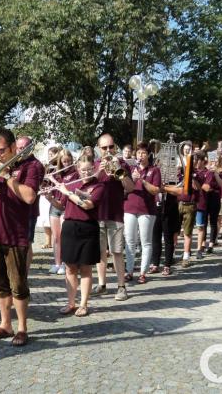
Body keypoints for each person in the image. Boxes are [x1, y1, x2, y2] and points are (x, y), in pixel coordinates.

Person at [0, 129, 40, 346]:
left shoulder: (31, 166)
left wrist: (7, 178)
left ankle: (22, 328)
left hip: (15, 234)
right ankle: (5, 325)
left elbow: (29, 197)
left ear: (13, 147)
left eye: (1, 150)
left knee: (18, 285)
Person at [55, 155, 104, 317]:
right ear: (77, 169)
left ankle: (83, 304)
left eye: (89, 169)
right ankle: (71, 303)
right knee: (70, 268)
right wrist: (50, 197)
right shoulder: (72, 183)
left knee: (85, 268)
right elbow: (60, 205)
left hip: (88, 228)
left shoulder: (98, 186)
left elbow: (87, 205)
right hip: (70, 227)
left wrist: (67, 193)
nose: (86, 172)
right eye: (83, 170)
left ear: (94, 168)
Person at [92, 133, 135, 301]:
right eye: (104, 148)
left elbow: (130, 188)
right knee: (100, 252)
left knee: (117, 251)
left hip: (115, 214)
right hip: (97, 214)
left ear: (115, 147)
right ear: (99, 149)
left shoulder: (122, 164)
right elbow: (88, 185)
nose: (108, 150)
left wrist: (119, 170)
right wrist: (99, 171)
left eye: (111, 147)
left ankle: (121, 286)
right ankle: (101, 284)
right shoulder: (95, 164)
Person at [123, 141, 160, 283]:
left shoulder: (154, 170)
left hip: (147, 210)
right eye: (138, 153)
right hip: (130, 207)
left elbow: (155, 190)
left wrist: (142, 180)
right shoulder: (130, 168)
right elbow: (125, 188)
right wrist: (132, 179)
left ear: (148, 155)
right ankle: (129, 271)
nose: (140, 155)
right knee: (129, 241)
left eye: (143, 153)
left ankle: (143, 273)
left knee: (146, 242)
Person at [16, 135, 45, 272]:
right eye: (18, 148)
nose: (20, 151)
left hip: (29, 210)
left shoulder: (36, 165)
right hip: (14, 209)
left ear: (30, 148)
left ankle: (24, 275)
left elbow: (31, 189)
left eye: (24, 148)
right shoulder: (15, 162)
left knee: (26, 244)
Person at [47, 149, 76, 275]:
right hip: (55, 205)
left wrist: (53, 181)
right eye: (64, 161)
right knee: (56, 237)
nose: (66, 164)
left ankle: (65, 263)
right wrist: (48, 189)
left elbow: (65, 186)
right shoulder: (56, 173)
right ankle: (57, 263)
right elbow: (52, 188)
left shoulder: (75, 173)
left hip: (66, 206)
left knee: (65, 237)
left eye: (68, 161)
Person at [38, 146, 61, 250]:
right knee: (44, 218)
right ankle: (48, 241)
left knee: (52, 218)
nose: (50, 157)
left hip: (54, 194)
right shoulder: (47, 166)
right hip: (45, 194)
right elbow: (42, 179)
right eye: (49, 155)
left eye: (52, 154)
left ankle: (56, 241)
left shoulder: (59, 166)